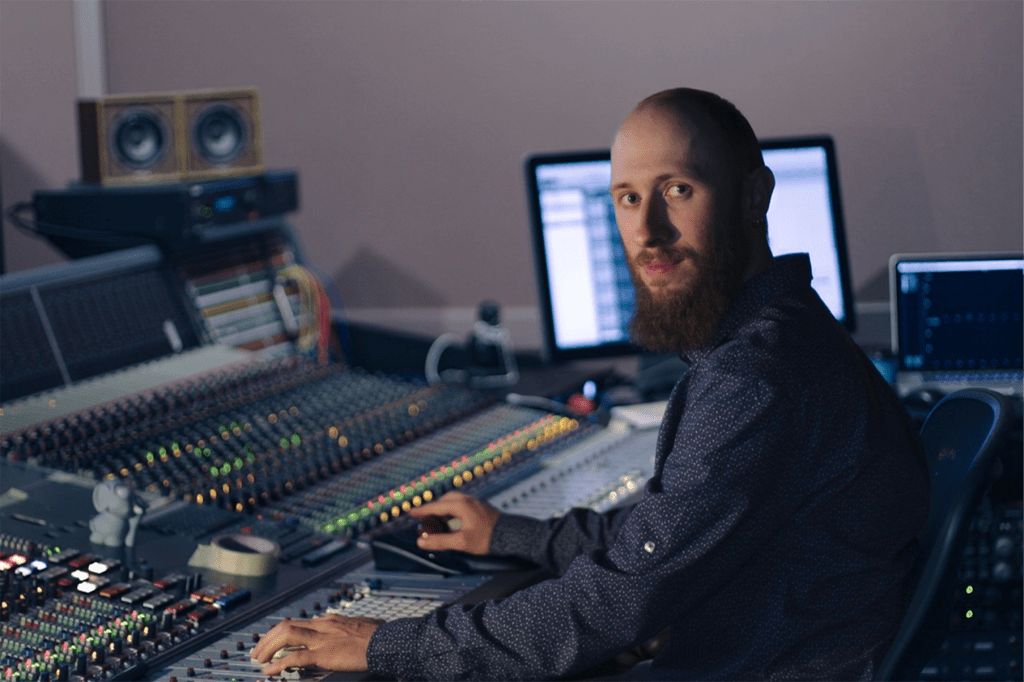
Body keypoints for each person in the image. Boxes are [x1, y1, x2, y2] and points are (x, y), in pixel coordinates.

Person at [251, 88, 929, 680]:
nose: (647, 230)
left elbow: (611, 605)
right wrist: (514, 535)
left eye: (678, 190)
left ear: (755, 195)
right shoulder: (778, 335)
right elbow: (661, 536)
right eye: (629, 199)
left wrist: (390, 645)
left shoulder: (756, 379)